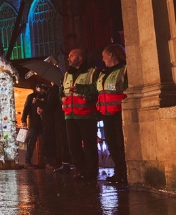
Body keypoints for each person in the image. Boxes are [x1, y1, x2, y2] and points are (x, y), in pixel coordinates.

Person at [61, 48, 99, 181]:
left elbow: (96, 89)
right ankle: (81, 170)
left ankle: (91, 172)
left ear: (80, 58)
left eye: (71, 56)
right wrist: (61, 97)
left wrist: (80, 89)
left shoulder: (93, 72)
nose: (68, 58)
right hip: (70, 115)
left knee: (89, 146)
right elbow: (62, 90)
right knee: (74, 146)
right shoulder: (67, 74)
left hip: (86, 113)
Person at [97, 44, 128, 184]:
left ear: (111, 55)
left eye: (104, 56)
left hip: (120, 111)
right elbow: (96, 89)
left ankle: (124, 173)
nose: (102, 59)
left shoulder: (124, 69)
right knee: (111, 143)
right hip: (106, 113)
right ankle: (119, 171)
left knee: (121, 144)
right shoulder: (104, 73)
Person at [43, 81, 71, 173]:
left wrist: (43, 107)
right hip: (61, 117)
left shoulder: (54, 89)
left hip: (57, 119)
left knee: (60, 141)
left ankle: (63, 163)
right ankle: (64, 163)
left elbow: (50, 104)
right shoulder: (58, 89)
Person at [21, 84, 45, 168]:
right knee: (31, 144)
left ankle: (47, 162)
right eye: (40, 88)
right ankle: (27, 162)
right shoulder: (31, 96)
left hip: (42, 123)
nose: (41, 90)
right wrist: (23, 120)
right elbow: (26, 108)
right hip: (34, 123)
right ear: (36, 88)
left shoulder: (45, 96)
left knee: (46, 143)